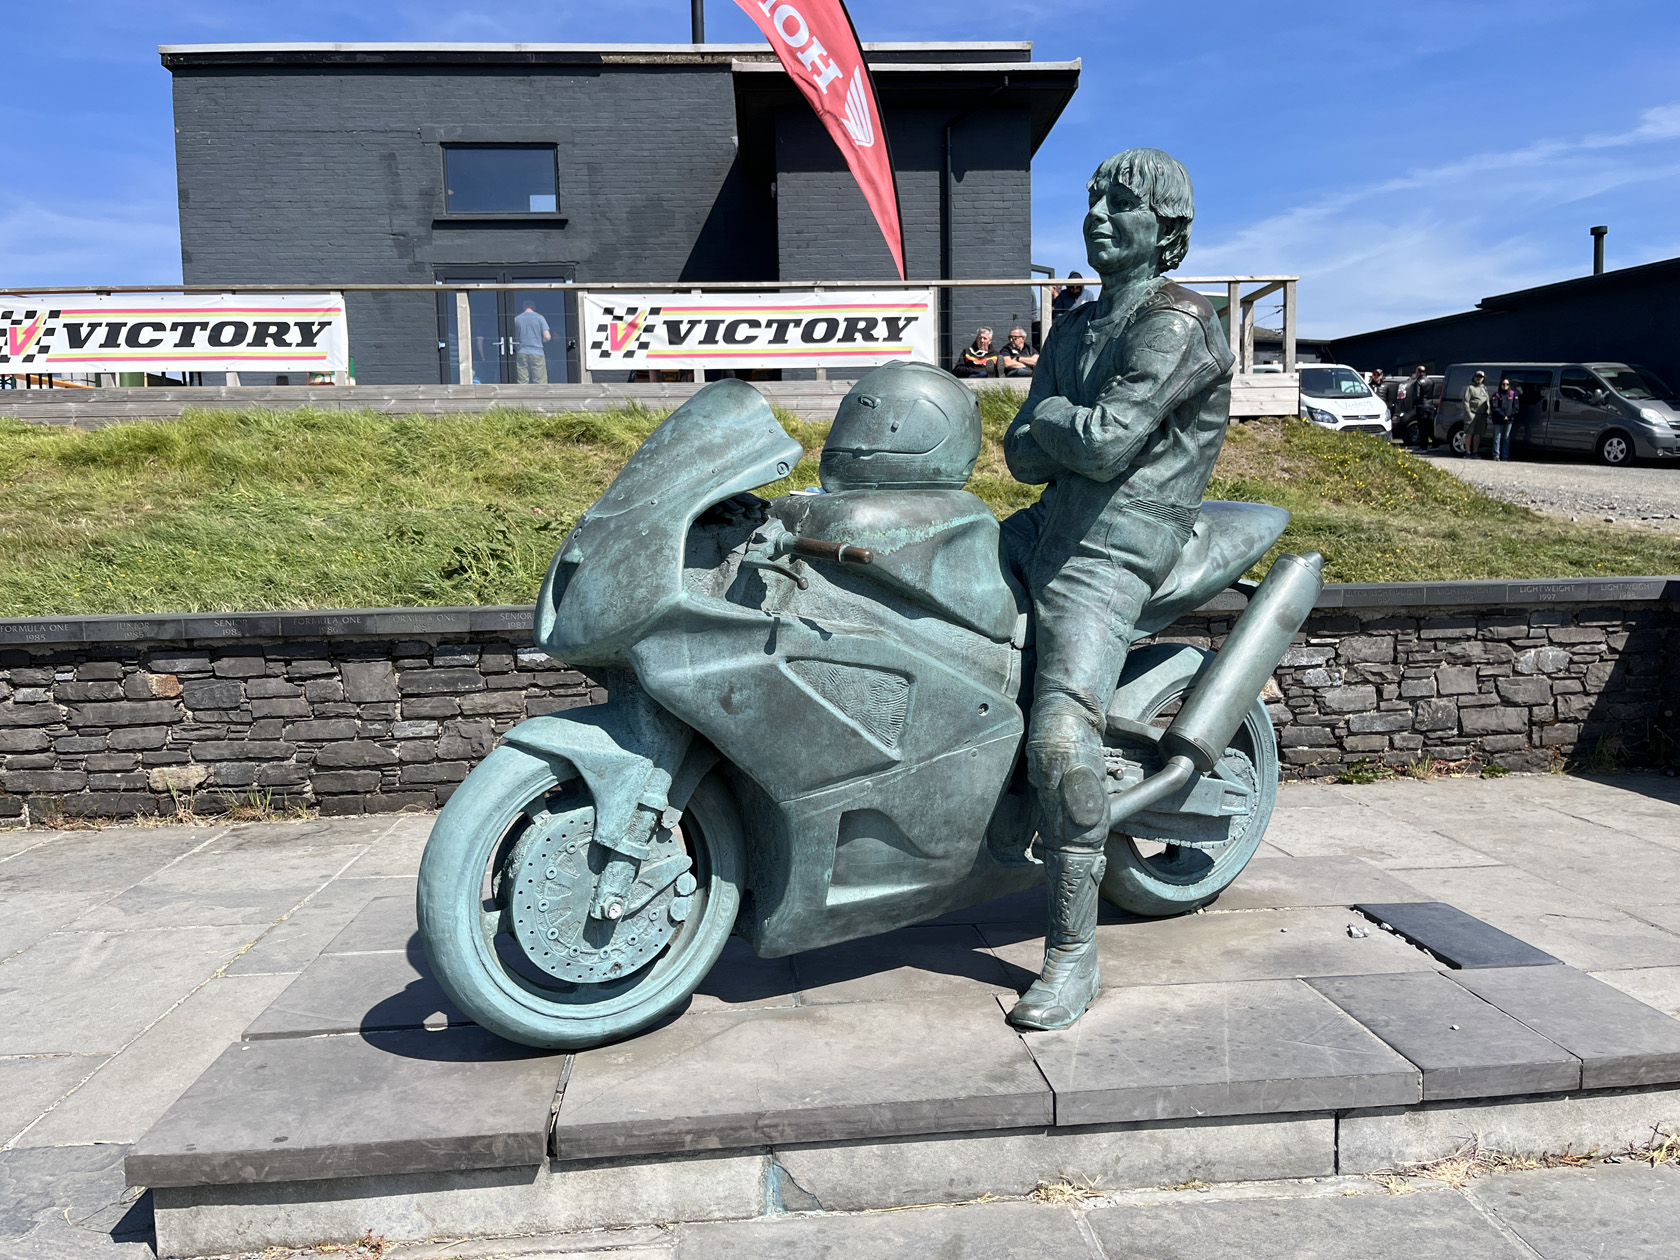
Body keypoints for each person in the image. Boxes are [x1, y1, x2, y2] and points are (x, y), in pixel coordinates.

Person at [1001, 148, 1233, 1031]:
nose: (1098, 214)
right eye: (1094, 198)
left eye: (1122, 203)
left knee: (1063, 736)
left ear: (1166, 229)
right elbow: (1023, 455)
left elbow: (1099, 444)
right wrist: (1061, 429)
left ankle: (1072, 952)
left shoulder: (1175, 324)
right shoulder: (1076, 324)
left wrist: (1055, 424)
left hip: (1115, 545)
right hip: (1051, 524)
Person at [514, 302, 551, 384]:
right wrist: (539, 341)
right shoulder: (540, 318)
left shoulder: (517, 319)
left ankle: (523, 396)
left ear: (523, 306)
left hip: (522, 352)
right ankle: (540, 396)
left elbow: (514, 336)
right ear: (534, 306)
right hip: (537, 352)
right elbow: (547, 336)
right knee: (540, 381)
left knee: (522, 381)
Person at [1463, 369, 1491, 457]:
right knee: (1469, 433)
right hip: (1472, 413)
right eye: (1477, 376)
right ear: (1474, 378)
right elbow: (1465, 401)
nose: (1479, 378)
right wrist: (1469, 414)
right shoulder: (1470, 388)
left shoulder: (1484, 388)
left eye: (1481, 377)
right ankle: (1467, 452)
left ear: (1483, 378)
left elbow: (1487, 400)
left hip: (1482, 415)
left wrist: (1488, 411)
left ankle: (1475, 451)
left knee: (1478, 434)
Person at [1491, 376, 1519, 462]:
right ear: (1500, 385)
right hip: (1498, 419)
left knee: (1506, 438)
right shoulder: (1496, 394)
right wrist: (1503, 415)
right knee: (1497, 437)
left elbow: (1516, 407)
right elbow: (1494, 407)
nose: (1505, 386)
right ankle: (1496, 455)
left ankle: (1505, 456)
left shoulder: (1513, 394)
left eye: (1507, 384)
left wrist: (1509, 416)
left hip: (1509, 419)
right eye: (1503, 384)